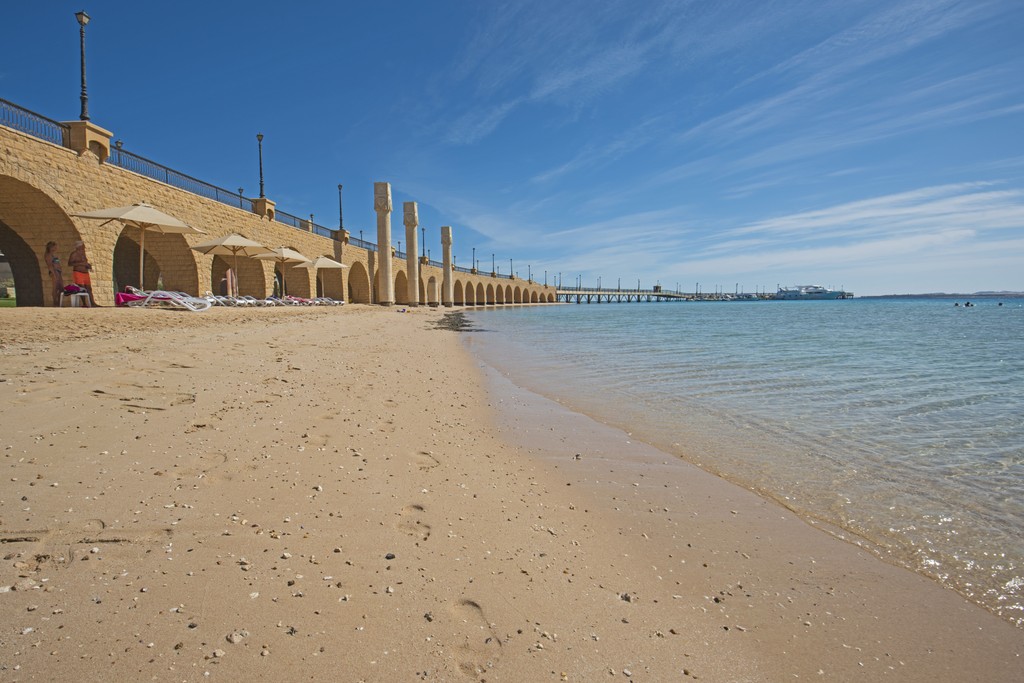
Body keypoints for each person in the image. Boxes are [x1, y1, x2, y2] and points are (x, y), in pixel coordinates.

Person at [67, 240, 97, 307]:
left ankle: (92, 303)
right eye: (83, 245)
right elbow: (70, 263)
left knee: (89, 288)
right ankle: (84, 303)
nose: (84, 247)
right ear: (79, 246)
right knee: (82, 288)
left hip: (85, 273)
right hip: (78, 273)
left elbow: (85, 263)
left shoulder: (83, 253)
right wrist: (81, 264)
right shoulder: (74, 254)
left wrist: (88, 266)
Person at [44, 241, 63, 307]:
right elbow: (50, 265)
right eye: (55, 246)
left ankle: (58, 302)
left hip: (58, 271)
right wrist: (54, 274)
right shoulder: (48, 255)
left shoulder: (53, 254)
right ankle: (55, 302)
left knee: (61, 288)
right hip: (54, 271)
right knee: (55, 287)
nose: (56, 248)